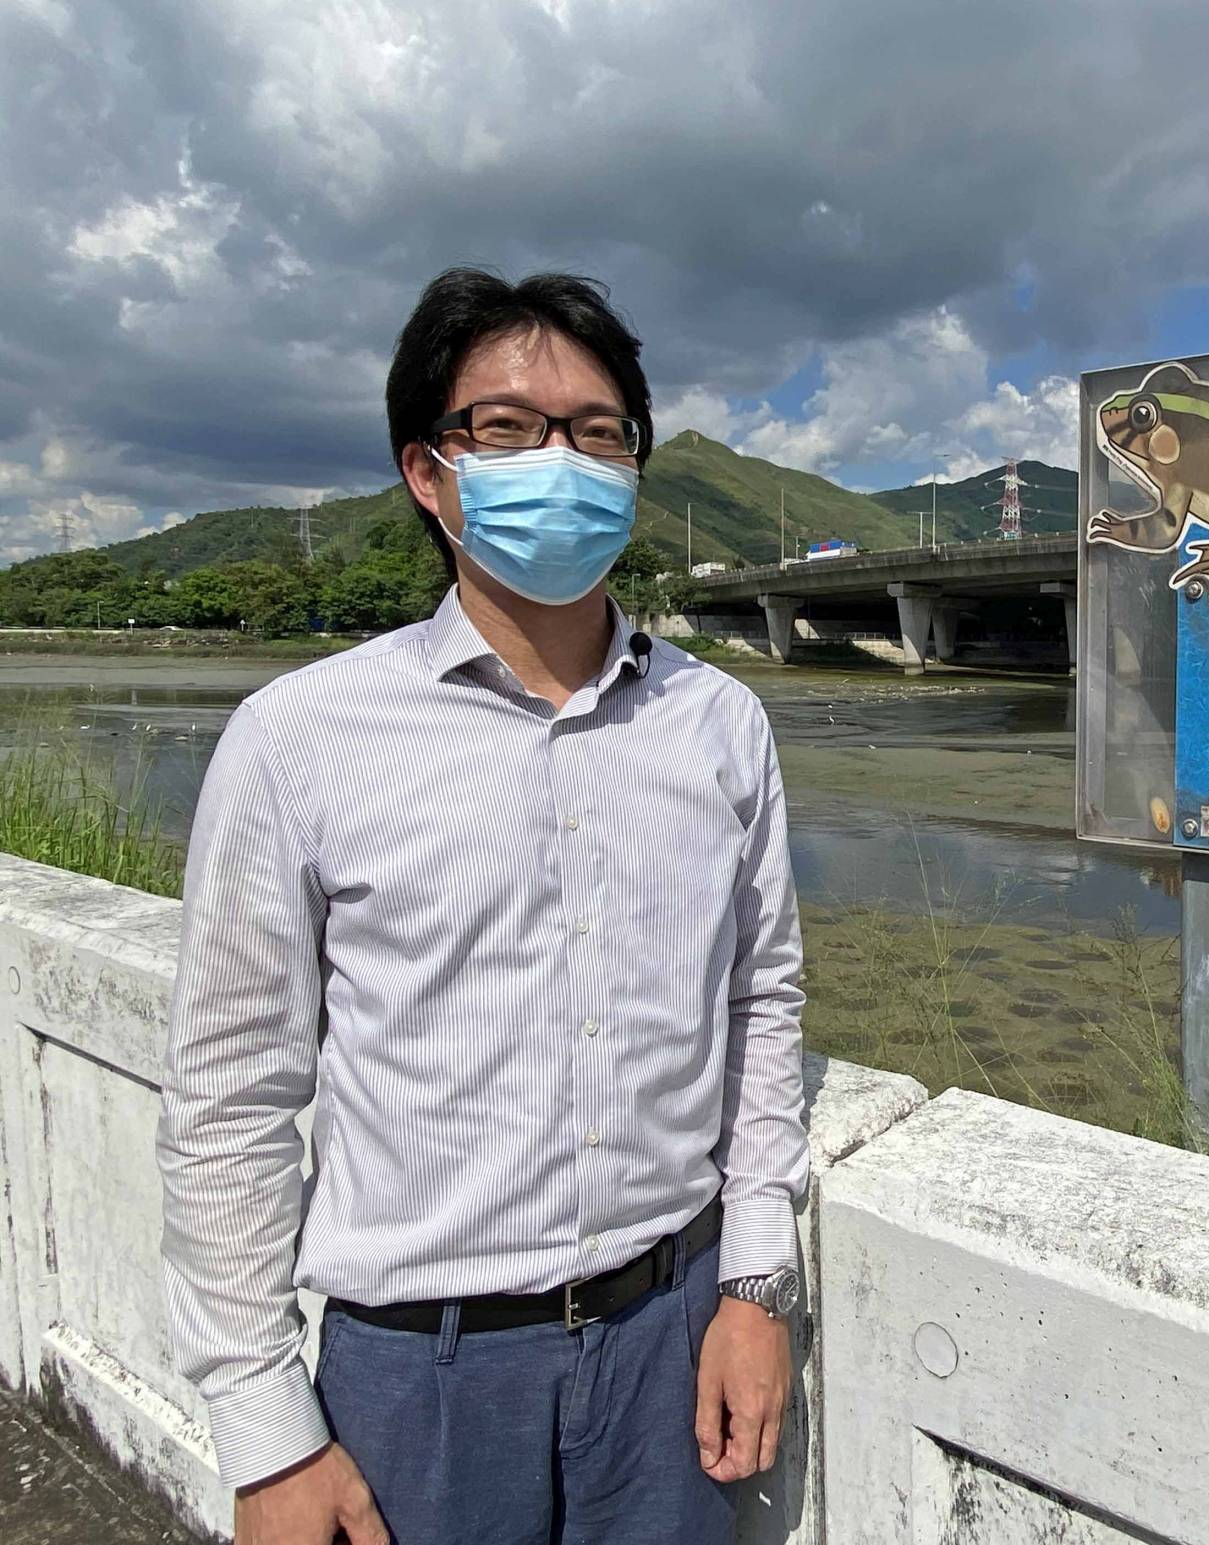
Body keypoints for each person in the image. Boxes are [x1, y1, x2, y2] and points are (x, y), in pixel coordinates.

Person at [157, 268, 809, 1545]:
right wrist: (266, 1436)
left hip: (674, 1338)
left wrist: (754, 1283)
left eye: (598, 432)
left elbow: (761, 999)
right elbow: (229, 1097)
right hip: (418, 1378)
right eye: (506, 429)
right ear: (427, 469)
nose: (559, 461)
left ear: (634, 466)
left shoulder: (720, 723)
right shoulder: (299, 737)